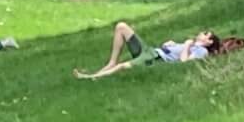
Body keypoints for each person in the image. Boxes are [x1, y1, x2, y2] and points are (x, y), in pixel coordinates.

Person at [72, 22, 219, 79]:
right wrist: (172, 45)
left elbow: (183, 62)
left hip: (154, 58)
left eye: (206, 34)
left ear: (209, 42)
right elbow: (177, 52)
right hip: (151, 50)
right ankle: (111, 62)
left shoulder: (202, 51)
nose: (201, 33)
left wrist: (186, 46)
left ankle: (92, 77)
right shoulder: (192, 44)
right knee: (121, 27)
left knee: (124, 66)